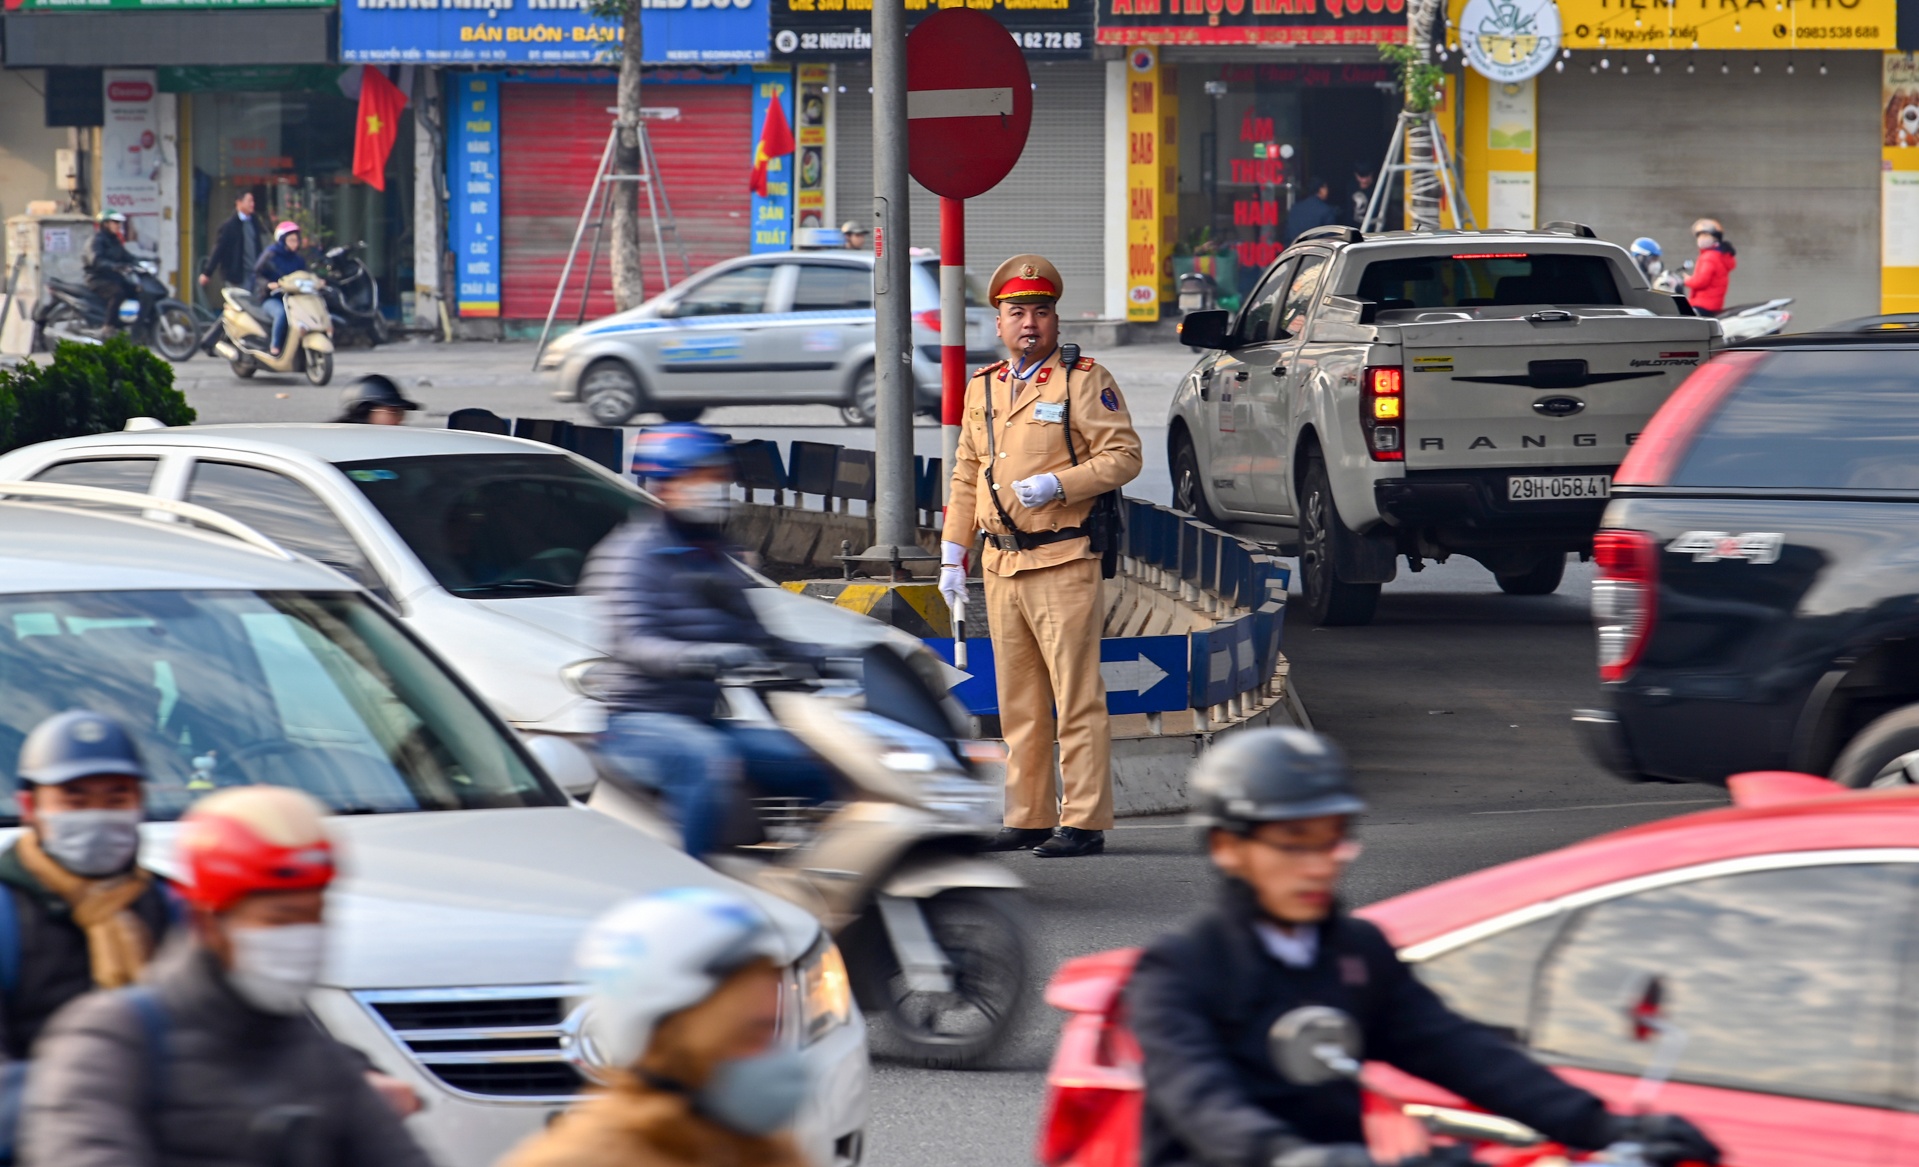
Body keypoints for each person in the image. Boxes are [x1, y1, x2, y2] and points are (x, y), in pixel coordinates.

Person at [1125, 728, 1723, 1167]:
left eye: (1332, 841)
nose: (1319, 865)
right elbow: (1202, 1102)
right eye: (1294, 843)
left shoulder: (1357, 954)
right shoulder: (1177, 972)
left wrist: (1606, 1125)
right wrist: (1300, 1158)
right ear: (1228, 848)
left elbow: (1458, 1050)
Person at [20, 786, 435, 1167]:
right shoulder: (111, 1041)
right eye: (279, 919)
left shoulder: (319, 1059)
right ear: (209, 922)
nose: (303, 938)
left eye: (316, 917)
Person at [939, 255, 1142, 859]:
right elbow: (967, 474)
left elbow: (1124, 457)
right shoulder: (985, 387)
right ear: (998, 322)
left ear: (1056, 318)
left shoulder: (1082, 380)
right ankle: (1027, 814)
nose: (1030, 324)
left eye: (1041, 312)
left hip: (1064, 558)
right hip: (1001, 565)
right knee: (1019, 700)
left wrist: (1061, 485)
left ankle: (1082, 819)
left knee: (1075, 696)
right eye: (1017, 313)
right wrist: (954, 554)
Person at [581, 425, 836, 859]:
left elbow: (754, 633)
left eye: (719, 476)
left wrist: (828, 658)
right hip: (637, 723)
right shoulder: (630, 555)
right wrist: (702, 657)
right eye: (700, 477)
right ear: (666, 484)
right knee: (706, 760)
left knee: (816, 762)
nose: (714, 487)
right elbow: (634, 642)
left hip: (700, 718)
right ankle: (691, 872)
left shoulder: (713, 553)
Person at [498, 888, 808, 1167]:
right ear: (668, 1037)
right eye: (751, 1034)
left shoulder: (766, 1152)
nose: (776, 1057)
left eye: (775, 1030)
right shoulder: (577, 1160)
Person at [252, 221, 313, 358]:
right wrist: (268, 285)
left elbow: (305, 274)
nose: (294, 243)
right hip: (271, 298)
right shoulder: (270, 255)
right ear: (282, 240)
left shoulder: (298, 259)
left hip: (294, 298)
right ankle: (275, 345)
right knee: (281, 314)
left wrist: (316, 281)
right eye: (291, 240)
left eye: (296, 240)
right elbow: (257, 274)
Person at [198, 190, 265, 299]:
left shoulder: (255, 222)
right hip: (238, 276)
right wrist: (207, 272)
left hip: (254, 274)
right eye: (249, 201)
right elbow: (218, 250)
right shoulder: (229, 226)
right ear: (239, 203)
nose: (252, 204)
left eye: (253, 201)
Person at [82, 211, 137, 330]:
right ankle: (108, 326)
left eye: (119, 223)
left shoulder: (114, 241)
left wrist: (143, 262)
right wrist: (114, 266)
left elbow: (127, 256)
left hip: (113, 277)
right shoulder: (96, 240)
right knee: (118, 293)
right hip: (97, 279)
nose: (118, 225)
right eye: (115, 222)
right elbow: (96, 260)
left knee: (135, 289)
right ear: (105, 224)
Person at [1683, 218, 1736, 314]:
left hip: (1703, 305)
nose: (1701, 239)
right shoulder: (1720, 255)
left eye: (1705, 235)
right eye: (1699, 236)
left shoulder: (1709, 257)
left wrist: (1685, 280)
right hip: (1714, 305)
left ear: (1715, 238)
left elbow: (1701, 282)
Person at [336, 375, 419, 425]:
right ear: (363, 413)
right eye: (394, 412)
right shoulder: (339, 444)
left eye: (401, 413)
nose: (400, 419)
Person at [1283, 179, 1338, 245]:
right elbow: (1330, 238)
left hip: (1294, 250)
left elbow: (1287, 234)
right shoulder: (1326, 210)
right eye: (1326, 188)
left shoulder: (1295, 208)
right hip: (1314, 252)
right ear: (1321, 189)